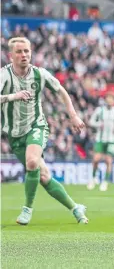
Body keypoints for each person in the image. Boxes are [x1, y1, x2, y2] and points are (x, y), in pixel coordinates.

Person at [0, 37, 89, 225]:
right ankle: (75, 208)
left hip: (36, 126)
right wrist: (13, 96)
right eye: (19, 52)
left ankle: (27, 209)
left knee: (32, 162)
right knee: (43, 176)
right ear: (11, 56)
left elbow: (61, 91)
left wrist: (73, 115)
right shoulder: (4, 75)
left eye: (26, 51)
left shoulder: (40, 74)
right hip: (14, 135)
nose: (24, 55)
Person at [87, 93, 114, 191]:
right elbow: (91, 122)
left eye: (111, 99)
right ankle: (93, 178)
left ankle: (105, 182)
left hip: (112, 140)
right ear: (105, 100)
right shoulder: (100, 110)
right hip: (100, 139)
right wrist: (98, 124)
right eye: (108, 99)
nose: (109, 101)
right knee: (96, 159)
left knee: (108, 160)